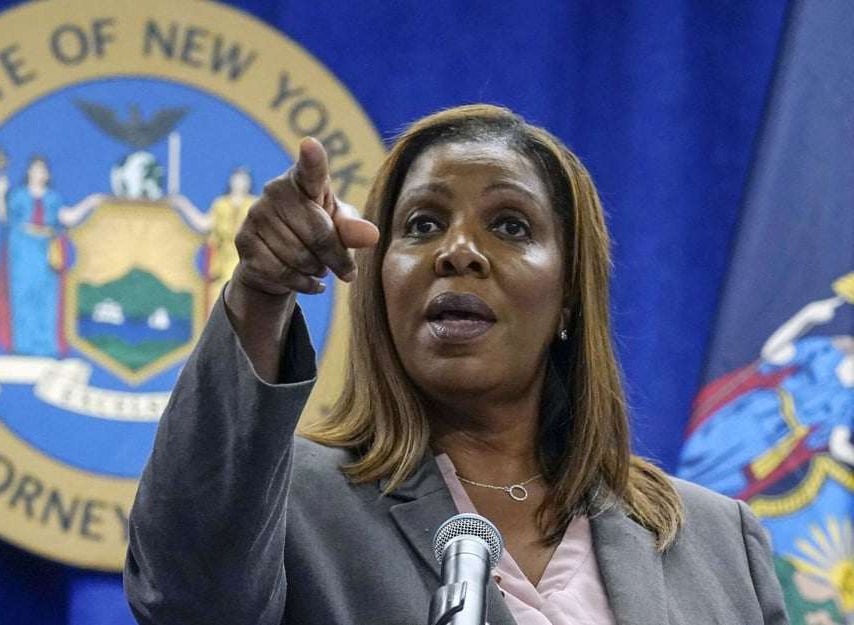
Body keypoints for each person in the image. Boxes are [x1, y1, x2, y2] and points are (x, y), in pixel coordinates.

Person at [124, 105, 789, 625]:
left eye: (510, 226)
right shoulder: (287, 502)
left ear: (567, 296)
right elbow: (185, 598)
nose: (458, 252)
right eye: (422, 225)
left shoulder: (715, 541)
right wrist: (260, 289)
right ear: (381, 284)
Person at [0, 156, 103, 357]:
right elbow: (4, 218)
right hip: (23, 249)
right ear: (29, 172)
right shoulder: (18, 195)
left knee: (47, 297)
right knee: (24, 295)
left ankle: (45, 346)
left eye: (43, 170)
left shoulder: (53, 198)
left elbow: (66, 218)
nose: (40, 173)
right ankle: (24, 346)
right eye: (36, 169)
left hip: (47, 249)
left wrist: (89, 203)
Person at [168, 167, 258, 315]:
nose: (240, 183)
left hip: (246, 263)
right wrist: (183, 205)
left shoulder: (254, 205)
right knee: (221, 304)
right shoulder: (221, 204)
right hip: (223, 263)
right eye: (237, 178)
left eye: (243, 179)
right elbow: (204, 224)